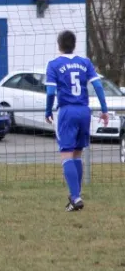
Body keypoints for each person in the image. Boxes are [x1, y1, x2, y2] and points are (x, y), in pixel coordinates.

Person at [45, 30, 109, 212]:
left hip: (67, 111)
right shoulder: (85, 62)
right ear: (74, 44)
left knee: (66, 154)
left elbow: (50, 92)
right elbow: (98, 86)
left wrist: (48, 110)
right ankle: (76, 197)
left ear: (59, 45)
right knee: (77, 154)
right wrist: (104, 110)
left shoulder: (54, 65)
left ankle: (75, 196)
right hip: (84, 111)